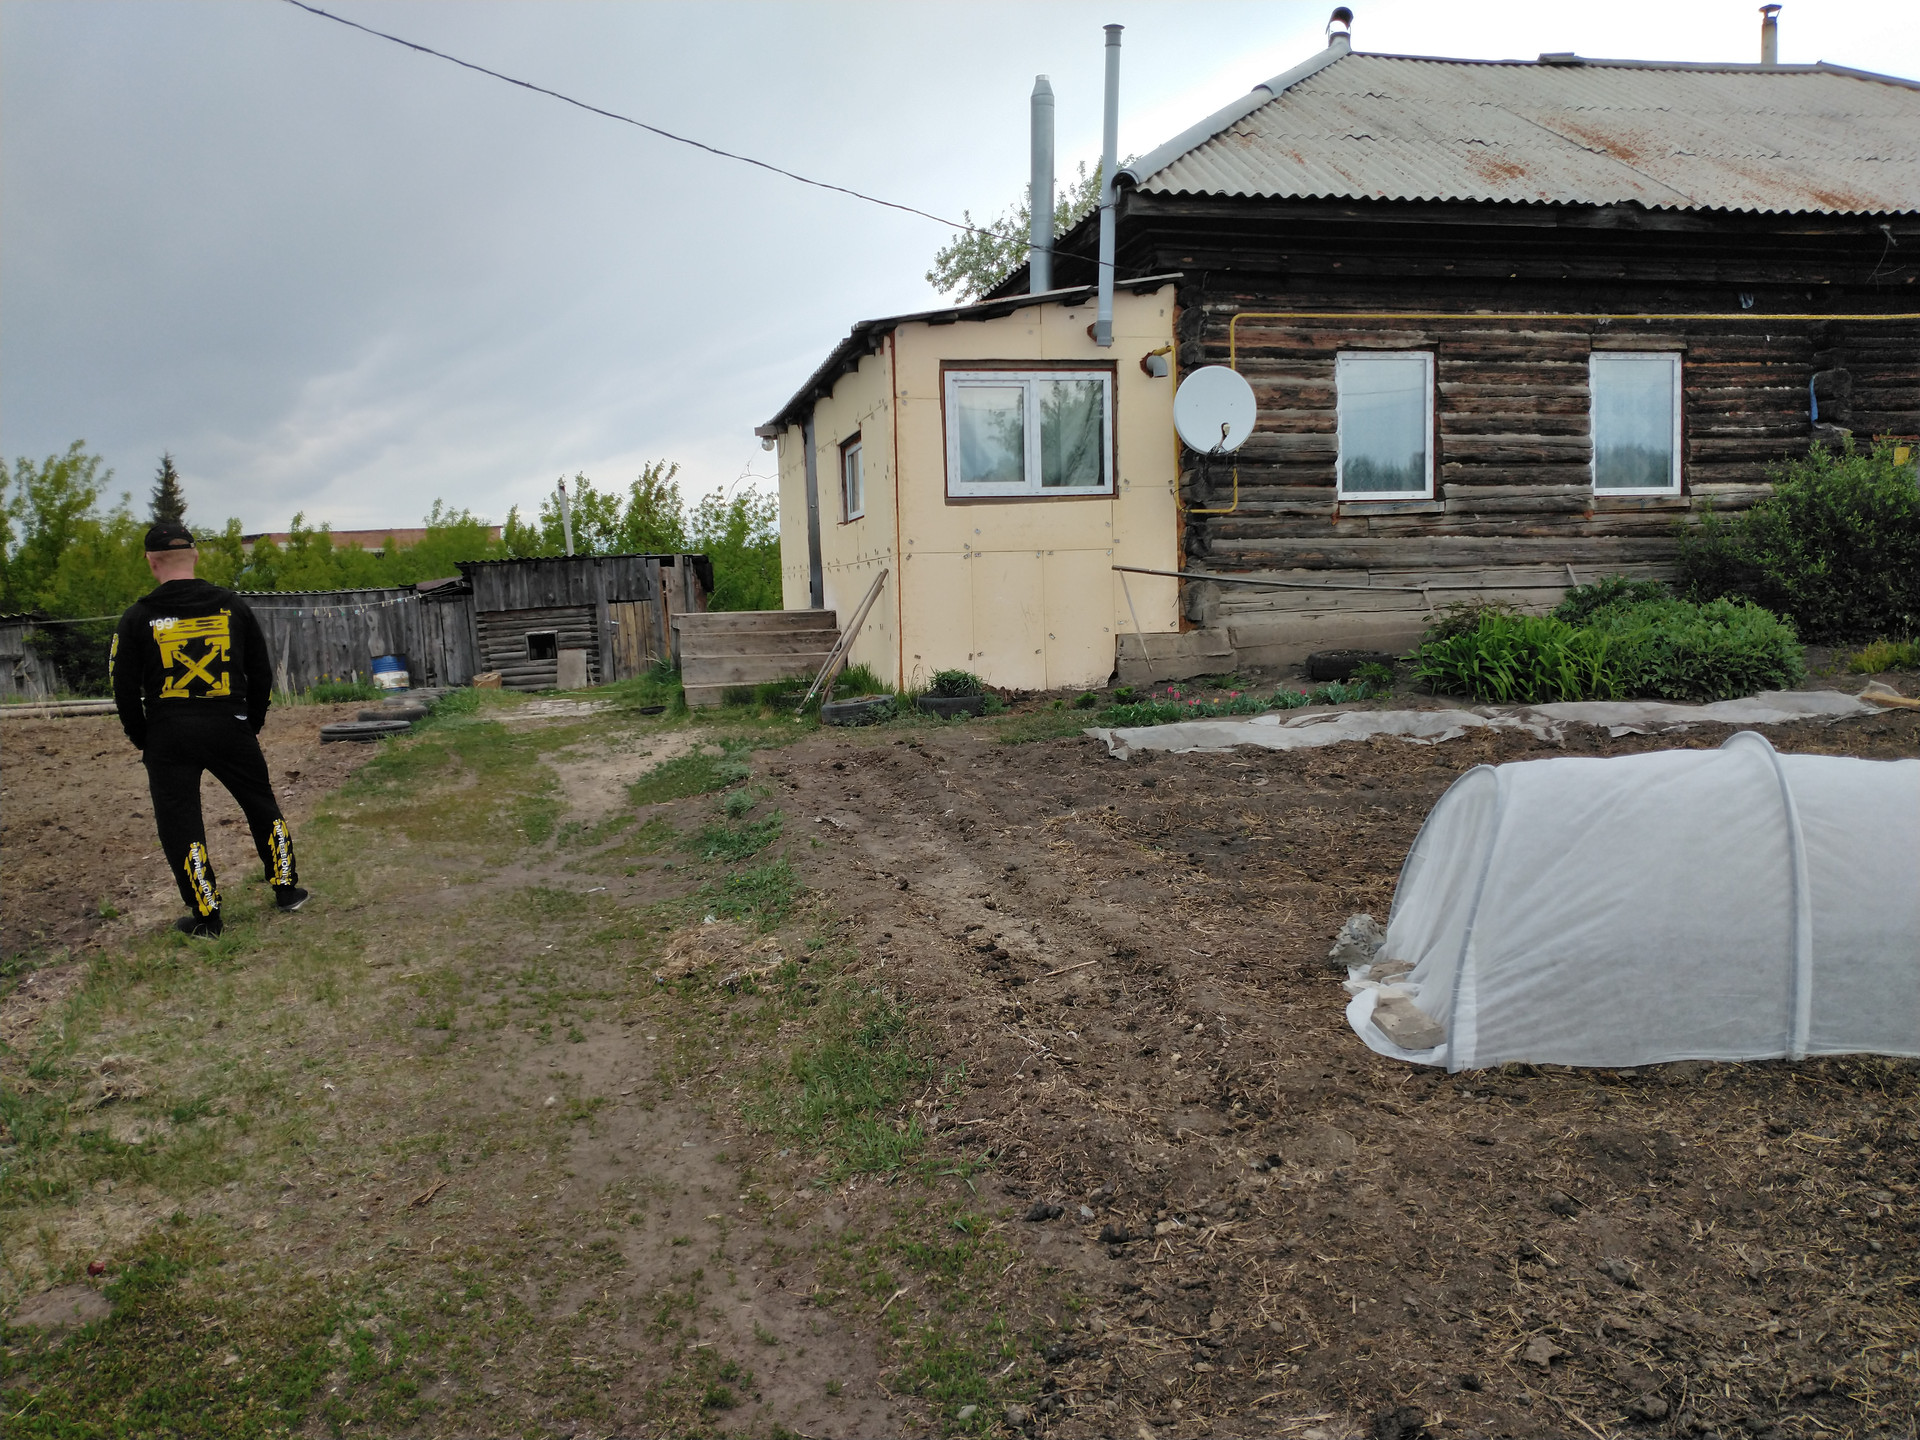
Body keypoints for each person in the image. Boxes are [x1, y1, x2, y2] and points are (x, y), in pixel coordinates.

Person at [111, 521, 308, 938]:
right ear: (196, 555)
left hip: (169, 733)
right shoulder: (233, 606)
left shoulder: (137, 618)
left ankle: (207, 916)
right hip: (229, 723)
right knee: (260, 803)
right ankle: (287, 890)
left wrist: (143, 737)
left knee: (181, 822)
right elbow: (260, 671)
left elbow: (123, 688)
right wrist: (250, 721)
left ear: (151, 562)